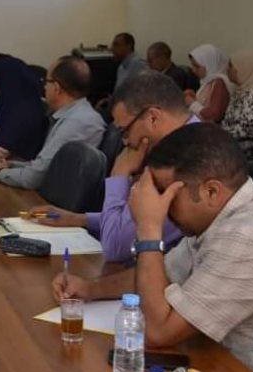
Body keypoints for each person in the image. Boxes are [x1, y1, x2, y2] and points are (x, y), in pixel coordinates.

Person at [51, 124, 253, 372]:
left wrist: (149, 227)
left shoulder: (249, 236)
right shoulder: (230, 212)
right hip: (234, 370)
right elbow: (164, 273)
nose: (160, 205)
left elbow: (157, 332)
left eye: (166, 193)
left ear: (211, 191)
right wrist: (89, 289)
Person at [30, 71, 192, 262]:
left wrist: (119, 174)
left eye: (125, 131)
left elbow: (114, 247)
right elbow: (134, 221)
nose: (125, 142)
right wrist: (79, 219)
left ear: (153, 118)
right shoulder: (186, 141)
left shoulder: (183, 162)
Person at [0, 56, 106, 189]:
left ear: (56, 88)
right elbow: (43, 167)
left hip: (55, 199)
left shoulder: (77, 122)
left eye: (46, 82)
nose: (44, 87)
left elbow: (34, 178)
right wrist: (10, 165)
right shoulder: (72, 115)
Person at [185, 44, 232, 123]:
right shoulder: (208, 81)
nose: (193, 70)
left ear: (209, 64)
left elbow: (213, 116)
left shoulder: (220, 83)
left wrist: (192, 103)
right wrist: (194, 98)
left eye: (197, 66)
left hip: (209, 129)